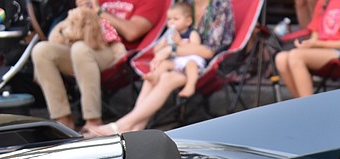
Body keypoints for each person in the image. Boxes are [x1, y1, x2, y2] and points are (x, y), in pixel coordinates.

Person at [84, 0, 234, 136]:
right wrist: (162, 53)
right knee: (153, 76)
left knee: (167, 78)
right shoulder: (184, 3)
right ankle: (134, 131)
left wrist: (171, 51)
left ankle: (119, 126)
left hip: (203, 64)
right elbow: (167, 38)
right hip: (176, 59)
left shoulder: (219, 6)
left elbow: (209, 51)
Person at [31, 0, 163, 132]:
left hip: (118, 53)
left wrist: (100, 12)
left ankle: (93, 121)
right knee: (41, 50)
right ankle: (62, 119)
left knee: (81, 49)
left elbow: (132, 32)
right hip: (85, 43)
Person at [274, 0, 340, 98]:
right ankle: (301, 105)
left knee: (295, 56)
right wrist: (308, 44)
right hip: (323, 51)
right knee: (281, 58)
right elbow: (315, 34)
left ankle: (308, 107)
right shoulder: (324, 2)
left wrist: (319, 44)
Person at [145, 1, 205, 98]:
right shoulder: (168, 35)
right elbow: (156, 51)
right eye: (169, 19)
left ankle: (190, 86)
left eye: (176, 19)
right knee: (164, 64)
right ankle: (155, 76)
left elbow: (195, 48)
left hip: (191, 59)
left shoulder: (192, 33)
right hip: (177, 61)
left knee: (191, 65)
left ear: (188, 21)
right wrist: (162, 45)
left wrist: (180, 42)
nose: (171, 22)